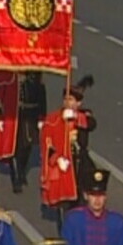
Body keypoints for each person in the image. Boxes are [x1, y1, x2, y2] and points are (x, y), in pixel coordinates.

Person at [40, 75, 96, 232]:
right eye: (66, 99)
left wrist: (76, 117)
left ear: (78, 103)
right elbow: (47, 143)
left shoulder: (84, 115)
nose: (67, 102)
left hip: (80, 163)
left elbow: (91, 124)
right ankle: (64, 231)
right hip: (63, 165)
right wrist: (56, 159)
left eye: (71, 100)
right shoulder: (53, 119)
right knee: (63, 202)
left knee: (84, 196)